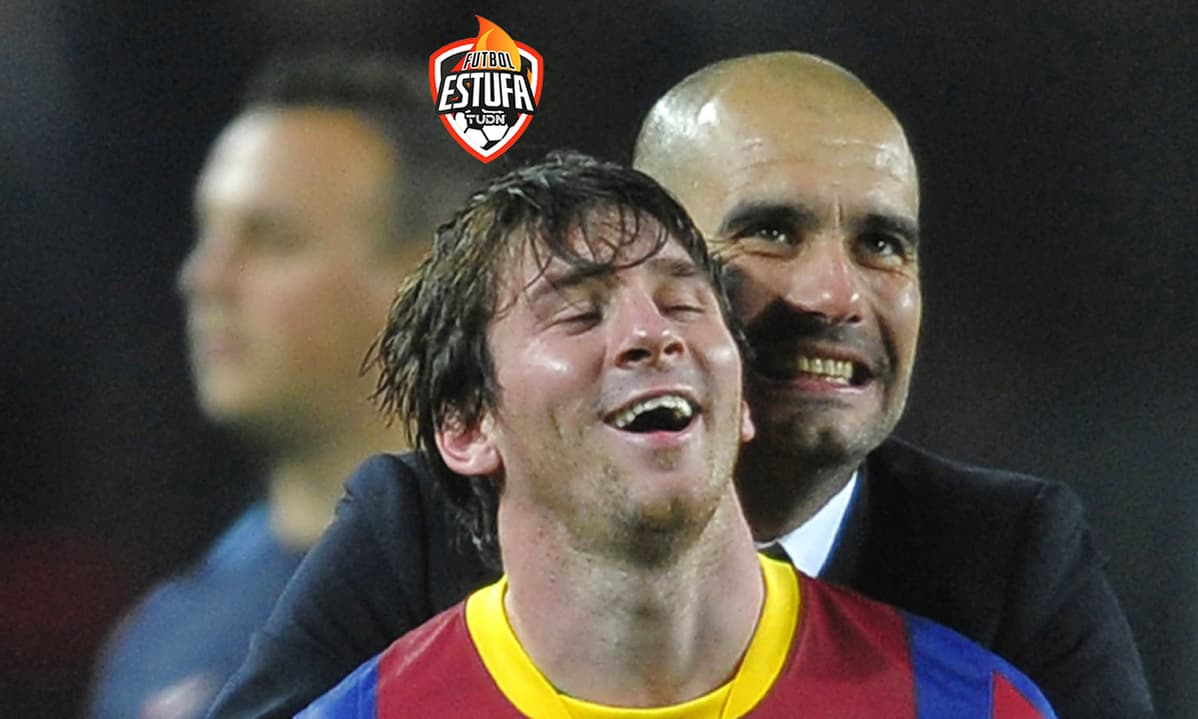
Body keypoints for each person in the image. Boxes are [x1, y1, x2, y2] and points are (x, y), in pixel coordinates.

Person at [208, 53, 1152, 719]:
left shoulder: (1006, 570)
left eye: (882, 243)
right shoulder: (420, 530)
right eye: (772, 232)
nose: (835, 294)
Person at [296, 151, 1056, 717]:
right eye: (579, 313)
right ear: (466, 426)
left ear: (742, 399)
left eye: (685, 304)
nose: (652, 335)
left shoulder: (965, 705)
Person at [86, 53, 482, 719]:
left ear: (425, 281)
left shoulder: (553, 603)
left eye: (270, 239)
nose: (204, 278)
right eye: (208, 233)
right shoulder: (160, 638)